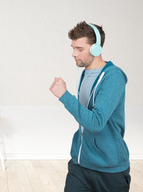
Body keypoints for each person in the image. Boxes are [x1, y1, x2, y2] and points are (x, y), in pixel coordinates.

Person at [49, 21, 131, 192]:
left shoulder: (113, 77)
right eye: (73, 48)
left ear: (96, 48)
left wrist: (64, 96)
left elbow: (96, 123)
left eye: (79, 49)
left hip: (109, 170)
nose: (73, 53)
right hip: (80, 164)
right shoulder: (85, 74)